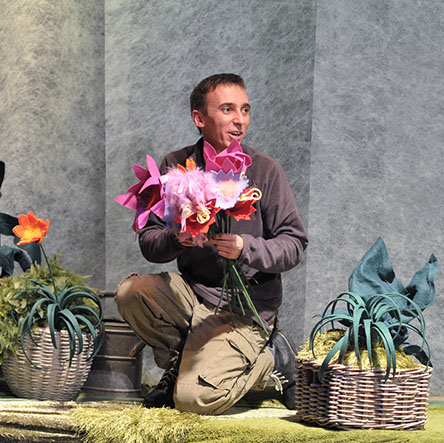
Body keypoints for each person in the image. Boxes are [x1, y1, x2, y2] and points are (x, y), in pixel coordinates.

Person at [115, 73, 308, 415]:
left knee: (194, 400)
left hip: (245, 310)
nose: (240, 120)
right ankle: (180, 366)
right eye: (228, 109)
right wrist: (176, 238)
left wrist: (246, 247)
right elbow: (149, 242)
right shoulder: (176, 167)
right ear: (199, 118)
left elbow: (294, 243)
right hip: (192, 297)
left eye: (245, 110)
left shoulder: (264, 171)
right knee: (131, 292)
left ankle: (272, 359)